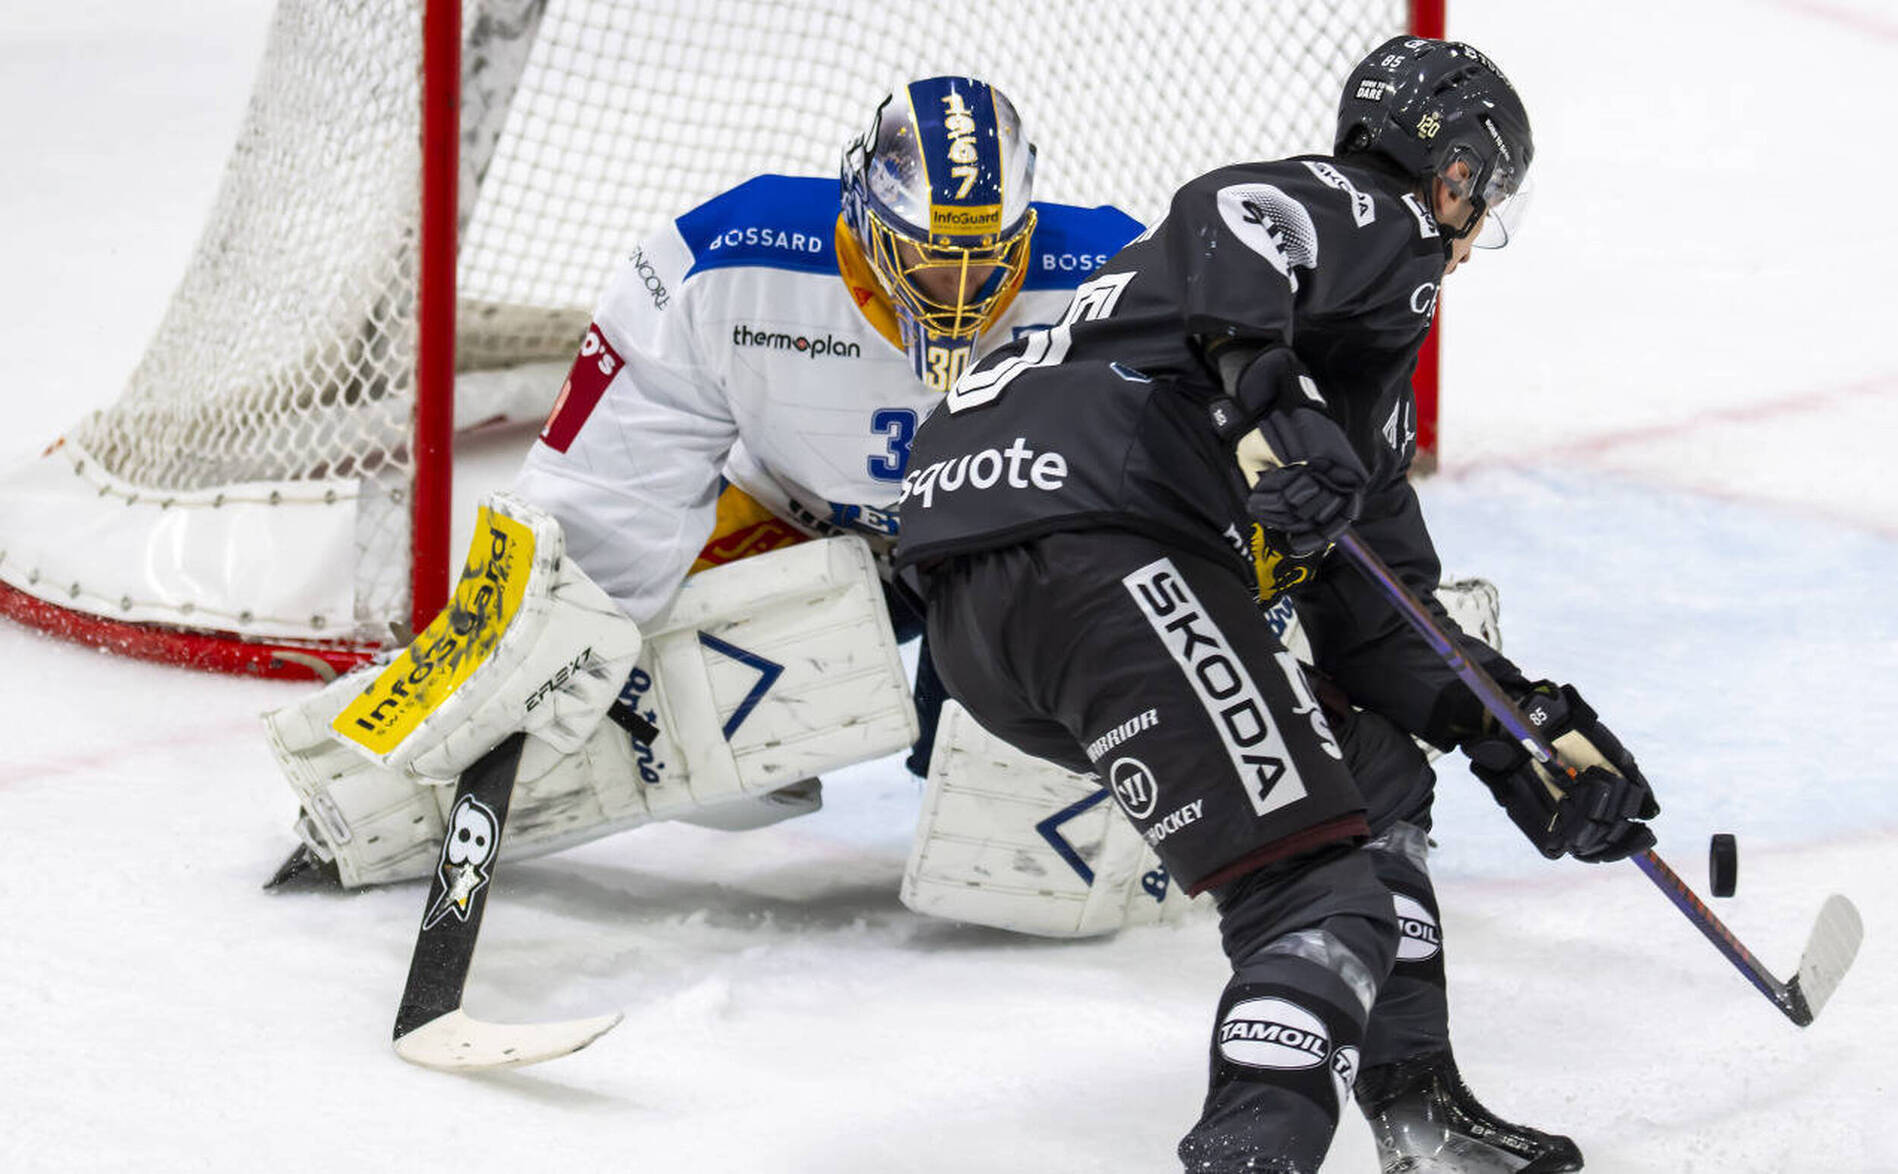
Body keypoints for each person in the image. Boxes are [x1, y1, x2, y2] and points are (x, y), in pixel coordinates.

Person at [894, 37, 1658, 1174]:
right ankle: (1249, 1152)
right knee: (1314, 894)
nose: (1467, 232)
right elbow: (1231, 206)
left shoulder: (1344, 381)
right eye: (1476, 194)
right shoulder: (1374, 222)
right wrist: (1267, 391)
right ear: (1443, 171)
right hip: (1100, 544)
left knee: (1374, 773)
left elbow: (1381, 613)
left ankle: (1415, 1108)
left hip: (986, 599)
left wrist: (1519, 734)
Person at [265, 77, 1146, 888]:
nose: (955, 291)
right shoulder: (725, 262)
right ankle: (369, 803)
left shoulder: (1118, 279)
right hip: (804, 519)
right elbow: (604, 492)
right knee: (675, 704)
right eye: (925, 257)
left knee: (1033, 847)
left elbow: (1208, 469)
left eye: (984, 262)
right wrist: (538, 642)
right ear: (865, 216)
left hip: (1008, 548)